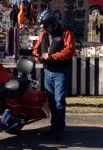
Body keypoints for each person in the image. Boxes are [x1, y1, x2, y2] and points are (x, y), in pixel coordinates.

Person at [32, 9, 76, 138]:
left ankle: (59, 129)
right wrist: (37, 56)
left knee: (59, 101)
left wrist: (52, 56)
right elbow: (36, 49)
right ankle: (53, 127)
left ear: (53, 23)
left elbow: (69, 51)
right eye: (44, 27)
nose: (45, 29)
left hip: (60, 72)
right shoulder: (44, 34)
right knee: (51, 101)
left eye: (47, 26)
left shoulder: (65, 33)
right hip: (48, 71)